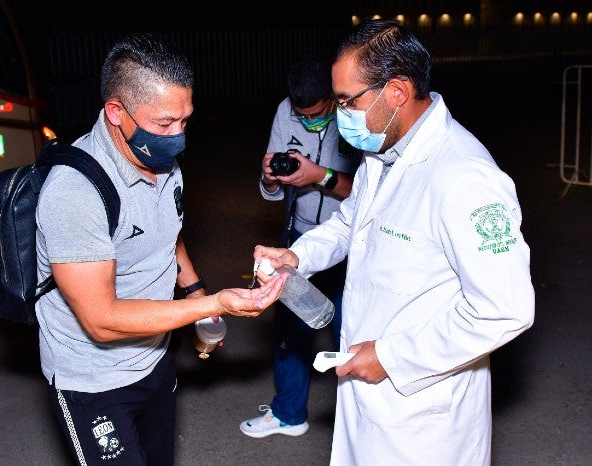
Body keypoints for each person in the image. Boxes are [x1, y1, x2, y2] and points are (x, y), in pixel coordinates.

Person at [252, 19, 535, 465]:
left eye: (347, 101)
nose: (341, 112)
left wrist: (392, 357)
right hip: (368, 389)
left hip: (424, 415)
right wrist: (297, 255)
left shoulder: (464, 176)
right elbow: (350, 223)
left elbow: (506, 308)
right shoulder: (382, 153)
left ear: (397, 92)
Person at [35, 33, 285, 466]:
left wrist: (193, 292)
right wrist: (216, 303)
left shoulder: (162, 162)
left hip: (154, 358)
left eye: (185, 120)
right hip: (92, 381)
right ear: (117, 112)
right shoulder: (74, 192)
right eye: (165, 123)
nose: (178, 136)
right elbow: (102, 321)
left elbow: (167, 236)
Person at [239, 56, 360, 438]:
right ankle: (290, 414)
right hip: (300, 235)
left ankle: (358, 425)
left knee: (351, 333)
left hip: (350, 240)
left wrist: (320, 176)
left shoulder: (356, 116)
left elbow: (372, 194)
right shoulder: (284, 112)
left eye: (318, 112)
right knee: (290, 330)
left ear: (333, 98)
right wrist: (271, 179)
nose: (308, 120)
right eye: (300, 114)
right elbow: (272, 188)